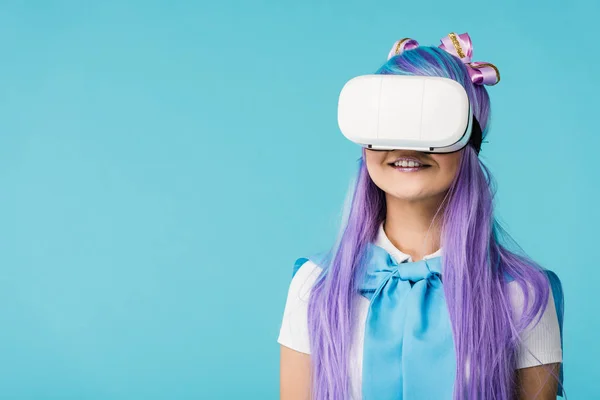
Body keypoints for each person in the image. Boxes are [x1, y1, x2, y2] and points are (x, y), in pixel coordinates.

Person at [277, 32, 564, 400]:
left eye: (432, 123)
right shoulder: (313, 288)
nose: (406, 145)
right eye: (388, 122)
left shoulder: (523, 295)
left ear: (469, 140)